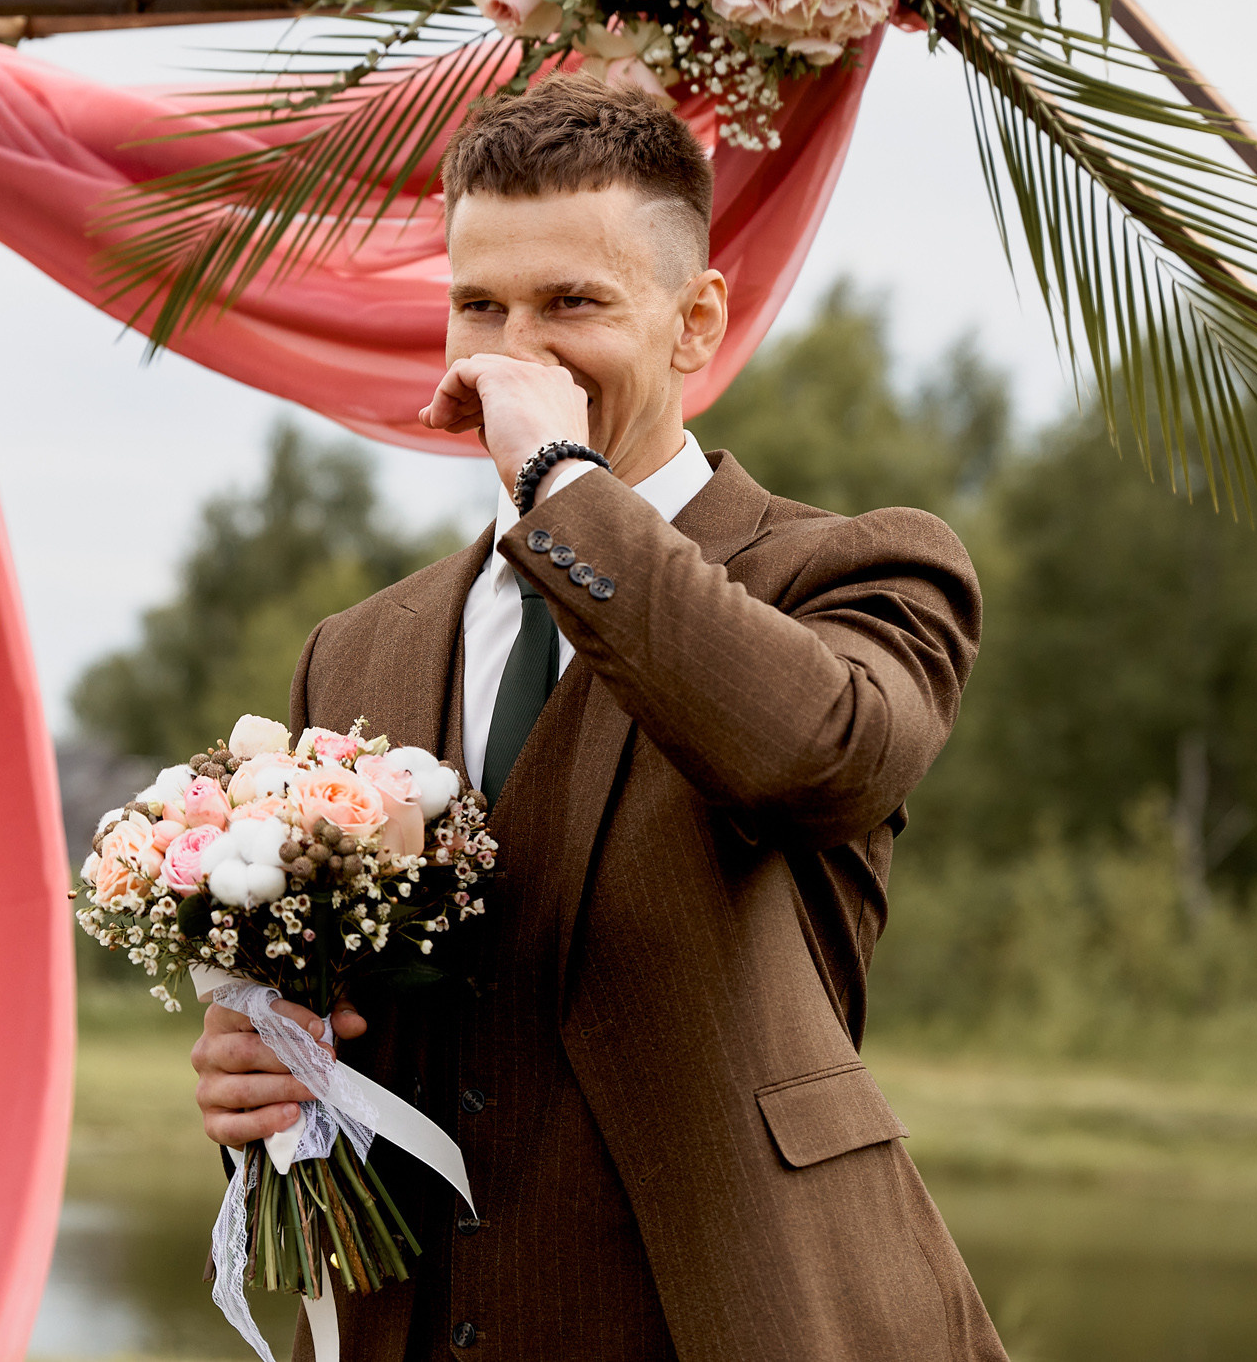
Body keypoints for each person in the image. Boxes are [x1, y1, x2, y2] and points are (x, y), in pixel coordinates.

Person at [189, 73, 1003, 1362]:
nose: (517, 355)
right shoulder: (356, 649)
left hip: (736, 1318)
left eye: (573, 304)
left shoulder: (856, 572)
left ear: (696, 322)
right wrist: (264, 1074)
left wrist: (559, 491)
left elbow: (821, 757)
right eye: (480, 306)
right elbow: (324, 1018)